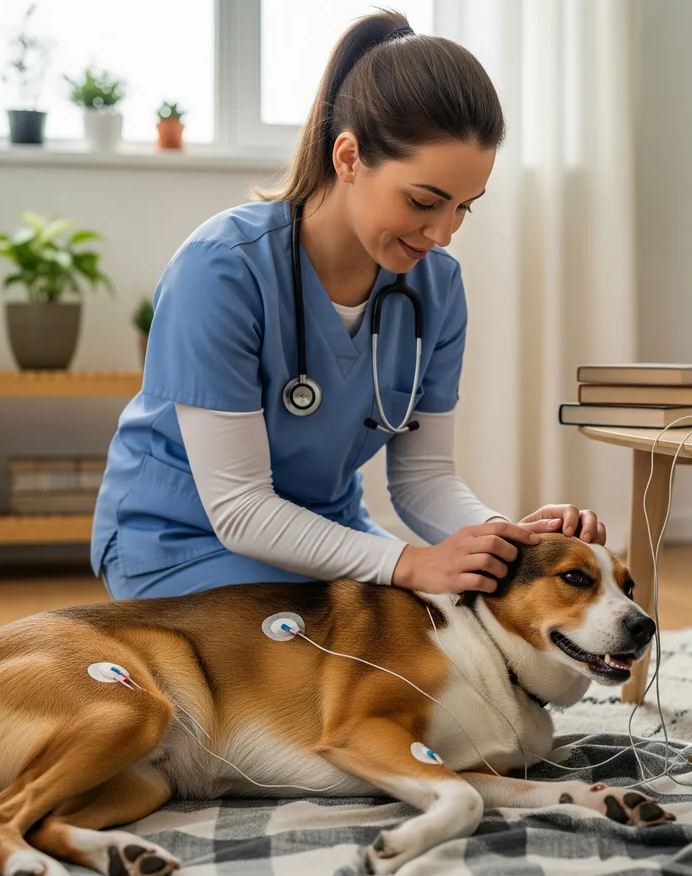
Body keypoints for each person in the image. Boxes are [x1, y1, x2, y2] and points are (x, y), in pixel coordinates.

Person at [91, 10, 606, 602]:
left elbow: (422, 478)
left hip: (329, 538)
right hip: (184, 540)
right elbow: (238, 508)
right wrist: (408, 565)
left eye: (465, 207)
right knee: (327, 675)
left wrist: (509, 542)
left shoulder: (435, 285)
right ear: (348, 158)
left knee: (447, 663)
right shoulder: (220, 269)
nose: (442, 233)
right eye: (423, 201)